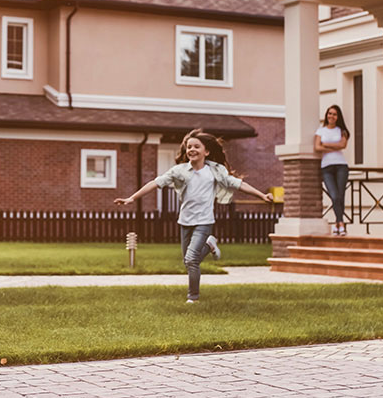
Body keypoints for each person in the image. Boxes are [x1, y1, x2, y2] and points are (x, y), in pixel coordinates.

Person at [115, 129, 274, 304]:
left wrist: (262, 196)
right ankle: (210, 244)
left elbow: (239, 184)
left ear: (206, 152)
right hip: (185, 221)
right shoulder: (180, 171)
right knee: (189, 261)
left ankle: (193, 298)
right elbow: (155, 182)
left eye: (196, 146)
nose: (191, 149)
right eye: (189, 146)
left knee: (191, 259)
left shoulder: (215, 171)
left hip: (204, 221)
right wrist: (132, 197)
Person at [314, 104, 350, 236]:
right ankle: (341, 223)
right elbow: (317, 147)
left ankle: (338, 224)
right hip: (326, 168)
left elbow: (343, 145)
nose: (331, 116)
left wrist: (326, 145)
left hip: (341, 166)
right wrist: (335, 147)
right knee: (334, 196)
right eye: (330, 113)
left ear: (338, 117)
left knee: (340, 196)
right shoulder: (320, 131)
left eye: (334, 114)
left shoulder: (342, 130)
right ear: (326, 115)